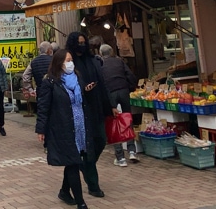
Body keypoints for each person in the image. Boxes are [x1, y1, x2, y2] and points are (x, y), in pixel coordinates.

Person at [35, 48, 92, 209]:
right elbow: (43, 106)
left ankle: (64, 191)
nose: (70, 63)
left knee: (72, 161)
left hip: (80, 126)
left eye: (71, 59)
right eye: (67, 60)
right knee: (73, 162)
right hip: (63, 127)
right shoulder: (50, 82)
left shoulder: (77, 78)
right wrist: (41, 129)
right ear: (59, 63)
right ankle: (81, 202)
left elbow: (81, 101)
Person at [66, 31, 114, 198]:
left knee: (101, 140)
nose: (81, 45)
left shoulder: (93, 60)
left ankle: (85, 166)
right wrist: (83, 89)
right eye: (78, 42)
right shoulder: (70, 62)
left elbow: (103, 84)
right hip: (80, 110)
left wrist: (110, 106)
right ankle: (93, 184)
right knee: (88, 148)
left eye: (83, 42)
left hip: (97, 107)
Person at [99, 44, 139, 166]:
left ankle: (120, 157)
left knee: (114, 122)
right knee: (127, 119)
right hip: (123, 90)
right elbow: (131, 76)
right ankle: (132, 151)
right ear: (111, 52)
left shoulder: (100, 64)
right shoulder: (119, 61)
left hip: (110, 93)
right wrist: (130, 88)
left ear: (101, 54)